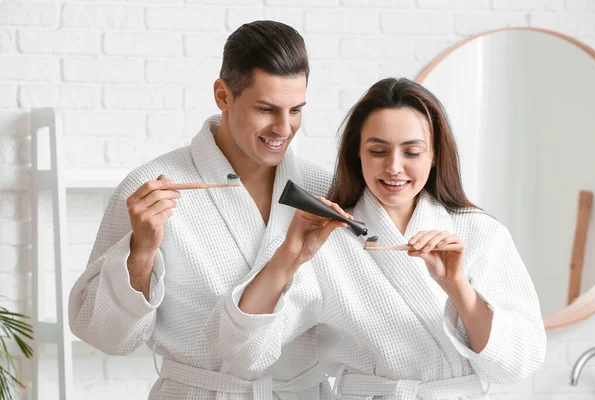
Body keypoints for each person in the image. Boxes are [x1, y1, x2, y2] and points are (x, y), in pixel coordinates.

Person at [207, 78, 546, 399]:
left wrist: (458, 287)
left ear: (435, 155)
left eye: (411, 152)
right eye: (378, 151)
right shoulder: (326, 240)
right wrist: (288, 257)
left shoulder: (481, 233)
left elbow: (518, 364)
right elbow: (242, 354)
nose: (394, 167)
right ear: (358, 153)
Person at [69, 20, 334, 399]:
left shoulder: (321, 190)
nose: (283, 127)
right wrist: (142, 251)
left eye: (296, 110)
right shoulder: (153, 188)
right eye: (266, 109)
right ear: (223, 96)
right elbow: (107, 336)